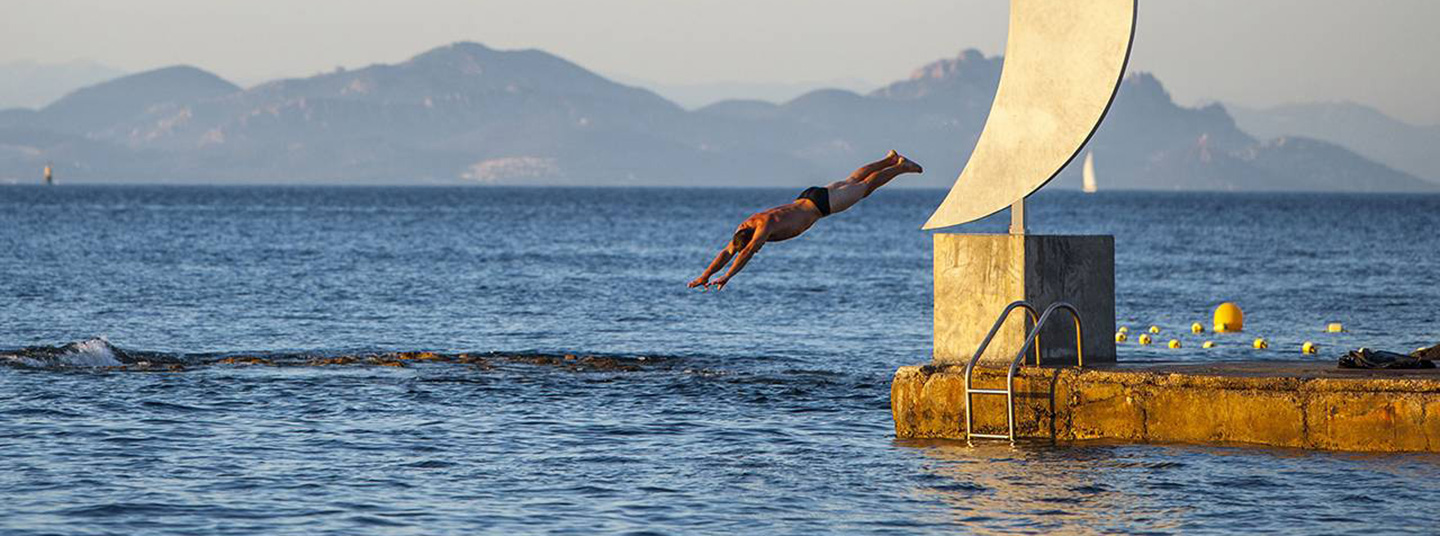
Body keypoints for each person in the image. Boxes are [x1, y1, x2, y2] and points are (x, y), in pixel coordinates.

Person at [688, 150, 923, 290]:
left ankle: (900, 167)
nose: (756, 246)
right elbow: (728, 252)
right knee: (852, 180)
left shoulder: (762, 229)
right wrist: (705, 275)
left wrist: (728, 276)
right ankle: (888, 159)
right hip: (809, 196)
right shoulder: (747, 225)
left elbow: (746, 252)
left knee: (865, 187)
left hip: (821, 206)